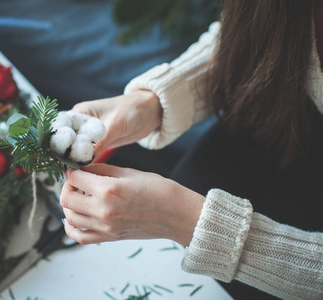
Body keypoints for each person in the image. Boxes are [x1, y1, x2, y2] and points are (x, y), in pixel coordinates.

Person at [59, 1, 323, 299]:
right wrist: (151, 102)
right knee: (196, 176)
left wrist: (191, 223)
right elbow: (262, 28)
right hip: (287, 119)